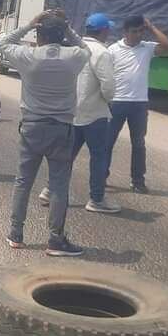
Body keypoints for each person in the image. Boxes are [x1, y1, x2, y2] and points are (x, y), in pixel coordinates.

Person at [0, 11, 90, 257]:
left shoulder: (29, 56)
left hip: (32, 127)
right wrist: (68, 29)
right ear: (62, 35)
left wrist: (28, 23)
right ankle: (56, 240)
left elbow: (4, 43)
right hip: (61, 128)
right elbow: (86, 48)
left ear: (39, 34)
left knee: (23, 182)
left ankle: (16, 234)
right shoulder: (73, 57)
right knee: (59, 186)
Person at [42, 13, 120, 214]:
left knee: (66, 156)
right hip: (94, 114)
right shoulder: (102, 52)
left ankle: (50, 190)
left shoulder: (72, 47)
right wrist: (108, 101)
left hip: (71, 112)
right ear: (104, 31)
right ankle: (96, 199)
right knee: (99, 157)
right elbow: (109, 87)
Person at [107, 15, 168, 193]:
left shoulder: (147, 48)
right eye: (134, 31)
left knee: (138, 144)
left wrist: (151, 28)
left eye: (140, 31)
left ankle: (137, 181)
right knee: (107, 142)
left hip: (139, 104)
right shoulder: (113, 49)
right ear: (125, 32)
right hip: (117, 102)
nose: (138, 35)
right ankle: (101, 175)